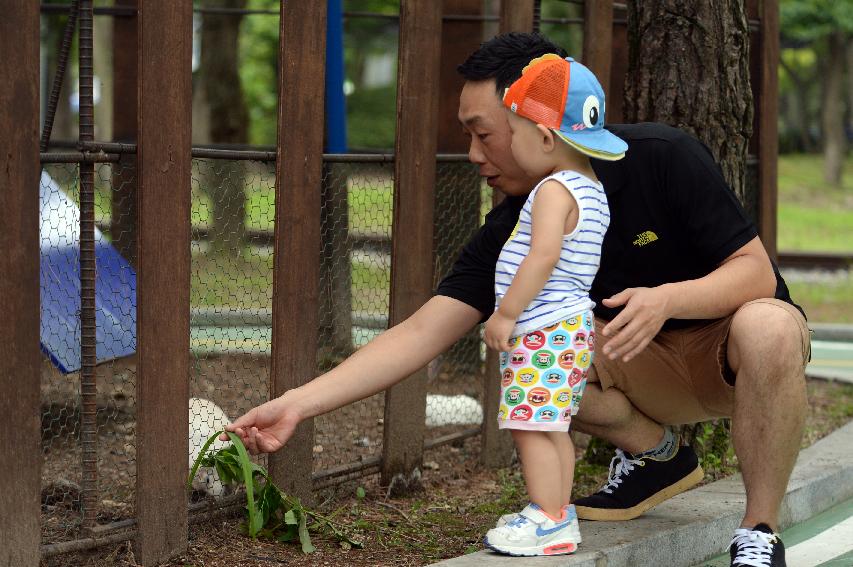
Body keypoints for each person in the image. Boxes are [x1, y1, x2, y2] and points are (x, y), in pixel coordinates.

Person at [225, 33, 808, 567]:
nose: (475, 154)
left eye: (484, 133)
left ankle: (758, 531)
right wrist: (298, 404)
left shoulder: (660, 155)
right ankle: (657, 456)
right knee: (532, 347)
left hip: (724, 356)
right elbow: (423, 332)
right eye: (468, 137)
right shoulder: (516, 223)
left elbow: (755, 274)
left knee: (770, 326)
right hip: (634, 367)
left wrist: (666, 299)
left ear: (538, 124)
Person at [479, 54, 627, 556]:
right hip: (570, 327)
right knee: (552, 425)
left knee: (529, 425)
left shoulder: (552, 189)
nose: (511, 145)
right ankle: (559, 517)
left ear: (545, 138)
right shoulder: (593, 189)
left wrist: (505, 314)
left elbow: (543, 256)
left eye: (514, 132)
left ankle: (545, 517)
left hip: (541, 325)